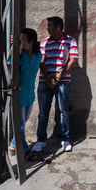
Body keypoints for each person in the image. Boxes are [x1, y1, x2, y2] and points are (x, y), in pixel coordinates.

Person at [32, 16, 78, 152]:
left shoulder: (70, 41)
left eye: (50, 26)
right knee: (43, 112)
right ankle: (41, 140)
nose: (48, 29)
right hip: (45, 81)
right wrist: (48, 79)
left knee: (63, 111)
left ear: (58, 27)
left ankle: (64, 139)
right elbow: (42, 61)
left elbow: (72, 61)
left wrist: (57, 78)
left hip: (63, 81)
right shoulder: (45, 42)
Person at [9, 28, 42, 155]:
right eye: (19, 40)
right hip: (18, 94)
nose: (20, 42)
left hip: (29, 94)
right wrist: (17, 48)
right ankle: (24, 149)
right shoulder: (18, 55)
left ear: (31, 41)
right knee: (20, 123)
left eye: (23, 40)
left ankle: (13, 144)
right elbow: (13, 65)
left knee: (24, 120)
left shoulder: (37, 56)